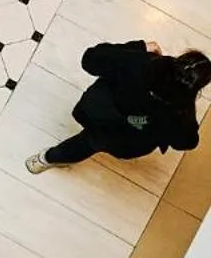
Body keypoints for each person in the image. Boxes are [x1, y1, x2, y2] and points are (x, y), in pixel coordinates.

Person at [27, 41, 211, 172]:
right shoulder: (180, 113)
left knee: (86, 141)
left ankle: (45, 159)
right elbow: (186, 142)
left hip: (96, 111)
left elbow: (90, 59)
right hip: (123, 140)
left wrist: (139, 48)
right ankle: (47, 159)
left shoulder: (138, 62)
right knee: (89, 144)